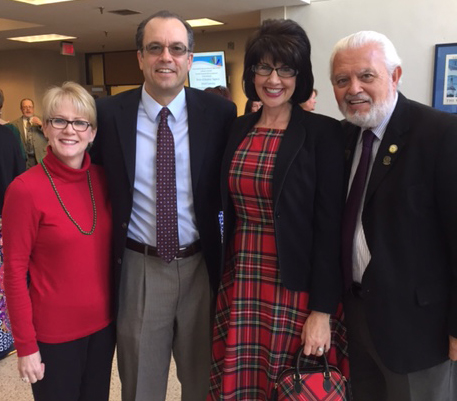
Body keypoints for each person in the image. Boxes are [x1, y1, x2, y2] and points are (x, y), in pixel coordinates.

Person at [90, 10, 237, 401]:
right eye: (155, 48)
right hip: (139, 268)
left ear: (190, 59)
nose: (165, 58)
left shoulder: (220, 114)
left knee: (203, 382)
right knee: (141, 386)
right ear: (140, 57)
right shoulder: (107, 115)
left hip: (200, 268)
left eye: (177, 49)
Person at [207, 19, 349, 400]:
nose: (274, 79)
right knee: (243, 386)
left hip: (294, 288)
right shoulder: (238, 130)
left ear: (300, 75)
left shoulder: (323, 134)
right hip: (241, 281)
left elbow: (329, 229)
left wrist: (321, 312)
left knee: (291, 386)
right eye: (264, 67)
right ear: (251, 72)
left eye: (286, 68)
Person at [330, 31, 457, 401]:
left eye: (366, 75)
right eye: (342, 80)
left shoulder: (441, 135)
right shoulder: (342, 137)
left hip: (420, 331)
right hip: (355, 319)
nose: (354, 89)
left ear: (395, 76)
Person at [3, 82, 115, 401]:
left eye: (80, 122)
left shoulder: (103, 180)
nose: (70, 131)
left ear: (92, 133)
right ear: (46, 128)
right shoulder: (24, 190)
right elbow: (13, 273)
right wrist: (25, 346)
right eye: (59, 121)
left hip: (103, 330)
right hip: (53, 337)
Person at [0, 124, 25, 361]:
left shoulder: (10, 133)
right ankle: (5, 340)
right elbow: (20, 171)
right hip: (6, 214)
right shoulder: (11, 134)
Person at [10, 98, 47, 169]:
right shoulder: (14, 124)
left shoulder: (43, 120)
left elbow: (51, 135)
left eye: (30, 107)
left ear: (33, 108)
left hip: (41, 157)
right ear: (21, 109)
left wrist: (42, 125)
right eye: (25, 107)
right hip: (24, 160)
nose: (28, 109)